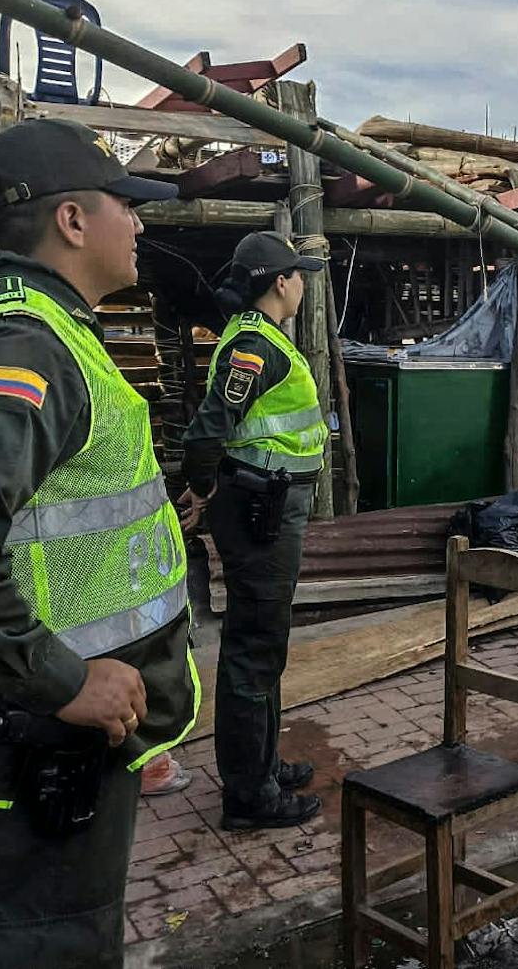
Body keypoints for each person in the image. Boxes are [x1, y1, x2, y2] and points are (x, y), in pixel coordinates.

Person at [0, 119, 195, 967]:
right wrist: (62, 679)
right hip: (36, 729)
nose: (138, 224)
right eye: (126, 205)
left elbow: (53, 516)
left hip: (51, 728)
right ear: (74, 222)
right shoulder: (26, 347)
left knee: (25, 934)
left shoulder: (49, 328)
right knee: (50, 945)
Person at [177, 232, 328, 831]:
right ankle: (249, 795)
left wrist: (209, 485)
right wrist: (205, 485)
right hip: (261, 510)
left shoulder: (259, 340)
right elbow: (205, 433)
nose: (304, 283)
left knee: (265, 643)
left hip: (265, 505)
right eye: (299, 274)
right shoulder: (253, 348)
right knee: (253, 647)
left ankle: (263, 766)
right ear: (280, 282)